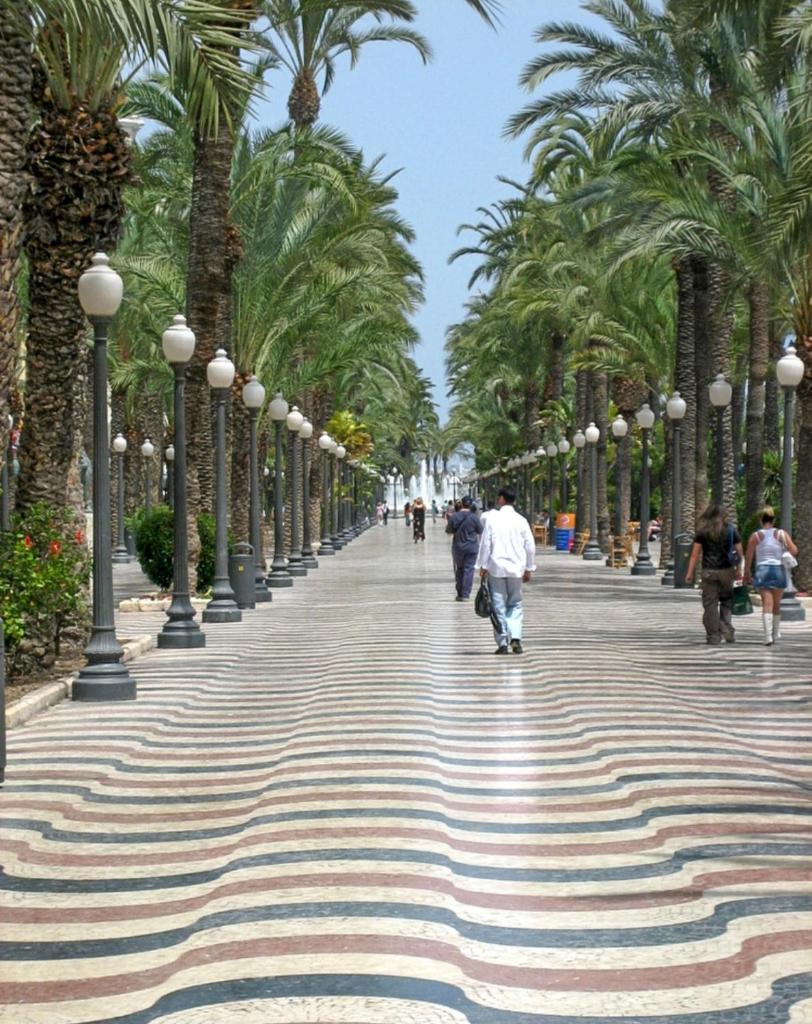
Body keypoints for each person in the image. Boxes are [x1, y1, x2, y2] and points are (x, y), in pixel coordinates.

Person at [476, 488, 536, 655]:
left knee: (498, 605)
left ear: (501, 499)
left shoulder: (492, 519)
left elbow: (486, 544)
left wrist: (483, 565)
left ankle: (502, 642)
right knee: (515, 603)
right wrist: (529, 568)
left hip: (497, 568)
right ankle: (515, 637)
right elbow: (530, 546)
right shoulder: (521, 520)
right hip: (516, 569)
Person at [685, 505, 743, 645]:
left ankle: (714, 636)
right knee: (726, 601)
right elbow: (739, 552)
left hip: (709, 572)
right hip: (727, 572)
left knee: (710, 604)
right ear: (724, 516)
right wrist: (739, 569)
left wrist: (689, 573)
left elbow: (694, 555)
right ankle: (726, 627)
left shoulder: (702, 532)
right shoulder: (731, 530)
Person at [744, 506, 798, 646]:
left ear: (761, 520)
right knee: (776, 604)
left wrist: (747, 573)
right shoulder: (781, 534)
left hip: (763, 570)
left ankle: (767, 636)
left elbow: (749, 556)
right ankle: (775, 634)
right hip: (778, 570)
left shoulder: (756, 536)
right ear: (773, 520)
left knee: (767, 603)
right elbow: (794, 550)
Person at [446, 495, 484, 600]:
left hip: (458, 547)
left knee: (459, 569)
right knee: (469, 569)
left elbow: (449, 531)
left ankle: (460, 592)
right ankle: (466, 594)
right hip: (472, 547)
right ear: (471, 505)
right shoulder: (474, 517)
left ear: (462, 504)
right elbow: (480, 531)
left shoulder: (454, 516)